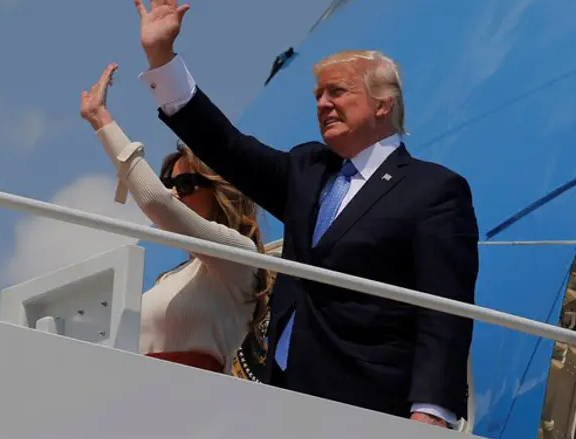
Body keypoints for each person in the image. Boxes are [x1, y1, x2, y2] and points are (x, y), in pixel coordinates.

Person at [132, 0, 480, 429]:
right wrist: (162, 59)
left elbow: (444, 310)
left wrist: (432, 411)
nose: (323, 104)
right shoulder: (306, 170)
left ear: (382, 104)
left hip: (371, 404)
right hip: (285, 399)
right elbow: (226, 146)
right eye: (318, 95)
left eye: (337, 92)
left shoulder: (433, 191)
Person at [79, 63, 273, 374]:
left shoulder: (240, 258)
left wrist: (101, 120)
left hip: (192, 402)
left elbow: (155, 201)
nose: (173, 193)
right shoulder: (170, 279)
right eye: (168, 184)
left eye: (184, 185)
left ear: (221, 191)